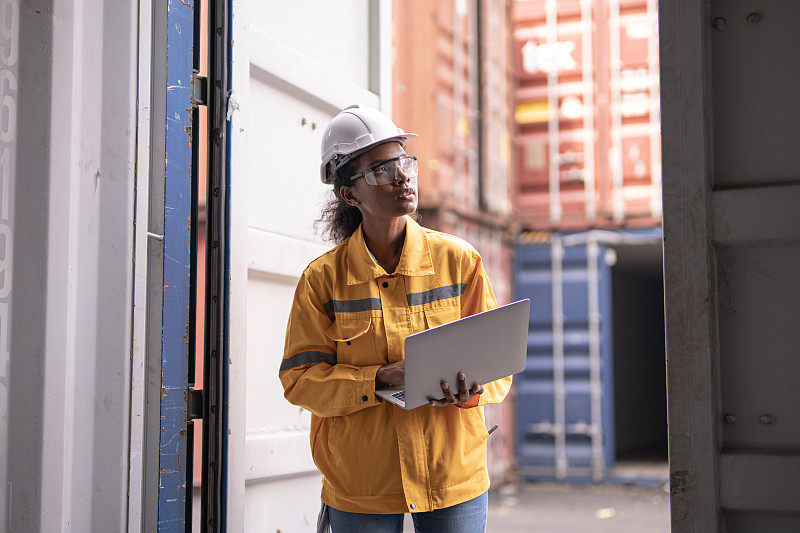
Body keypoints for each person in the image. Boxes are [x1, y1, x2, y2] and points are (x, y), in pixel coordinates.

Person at [279, 104, 512, 533]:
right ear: (350, 194)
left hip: (451, 475)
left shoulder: (458, 261)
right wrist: (380, 379)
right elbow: (300, 381)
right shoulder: (323, 280)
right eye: (382, 168)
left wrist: (472, 391)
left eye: (405, 160)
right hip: (361, 480)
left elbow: (498, 363)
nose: (403, 175)